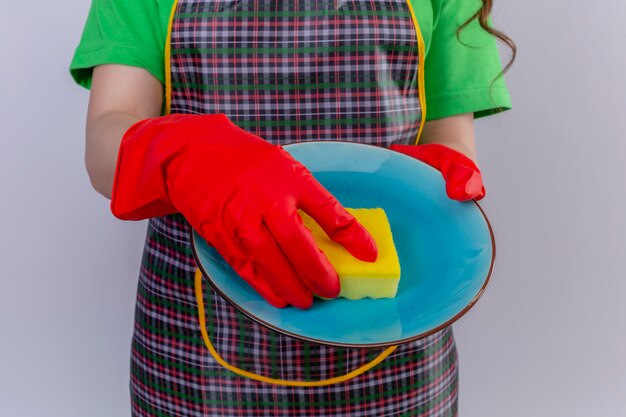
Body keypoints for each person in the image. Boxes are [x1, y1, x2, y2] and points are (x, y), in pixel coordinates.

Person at [69, 0, 514, 415]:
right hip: (196, 354)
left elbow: (451, 141)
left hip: (399, 354)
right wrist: (182, 155)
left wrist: (434, 178)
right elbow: (104, 148)